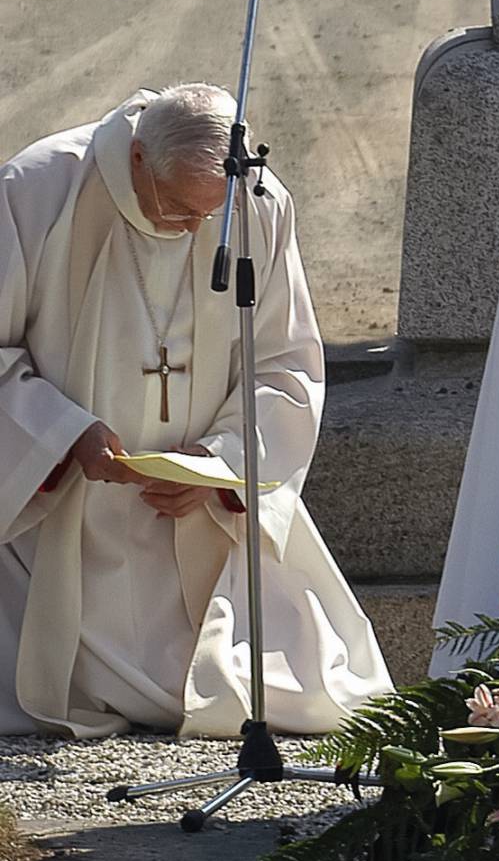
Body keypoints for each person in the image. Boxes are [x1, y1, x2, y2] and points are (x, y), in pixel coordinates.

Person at [0, 83, 390, 736]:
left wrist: (219, 466)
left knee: (305, 691)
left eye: (212, 215)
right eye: (180, 209)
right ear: (136, 162)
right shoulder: (36, 192)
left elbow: (287, 363)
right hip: (61, 516)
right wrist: (64, 434)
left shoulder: (257, 205)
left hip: (205, 517)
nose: (195, 229)